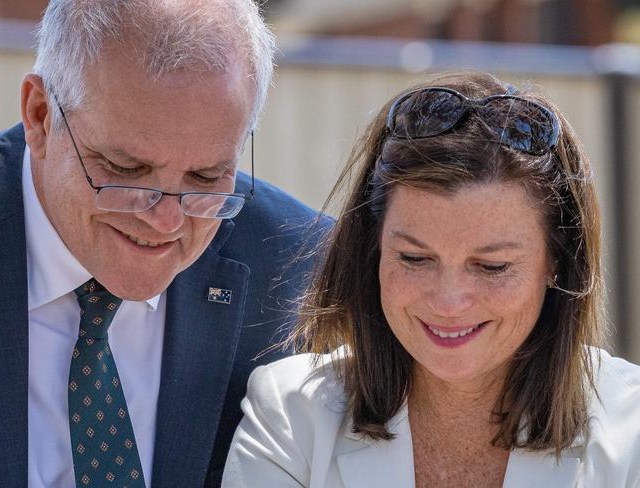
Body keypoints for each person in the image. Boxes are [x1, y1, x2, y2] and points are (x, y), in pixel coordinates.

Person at [222, 72, 640, 487]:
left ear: (557, 264)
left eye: (492, 266)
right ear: (374, 249)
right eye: (415, 258)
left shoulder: (632, 429)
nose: (449, 301)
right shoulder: (291, 414)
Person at [0, 1, 328, 486]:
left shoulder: (303, 270)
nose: (166, 221)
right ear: (40, 116)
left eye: (207, 176)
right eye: (126, 171)